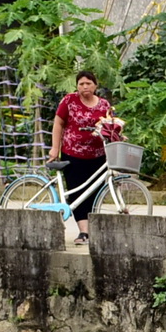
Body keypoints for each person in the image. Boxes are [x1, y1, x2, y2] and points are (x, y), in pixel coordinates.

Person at [50, 68, 123, 245]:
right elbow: (58, 123)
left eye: (88, 83)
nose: (85, 87)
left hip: (98, 155)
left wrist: (118, 135)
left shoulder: (104, 104)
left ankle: (92, 229)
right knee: (77, 192)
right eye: (81, 84)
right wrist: (54, 148)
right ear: (77, 86)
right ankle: (84, 232)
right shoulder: (69, 101)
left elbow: (110, 126)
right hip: (73, 153)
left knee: (95, 192)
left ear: (95, 85)